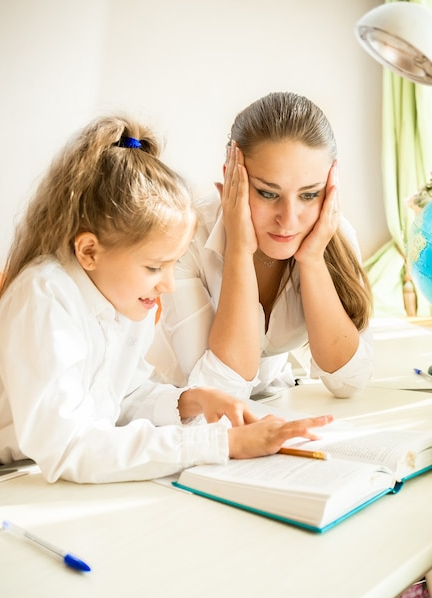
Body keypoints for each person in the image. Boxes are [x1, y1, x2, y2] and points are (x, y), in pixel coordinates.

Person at [0, 115, 333, 484]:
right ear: (88, 251)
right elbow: (70, 448)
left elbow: (119, 397)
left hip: (38, 470)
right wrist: (221, 443)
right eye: (153, 267)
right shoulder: (44, 297)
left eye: (172, 265)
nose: (168, 285)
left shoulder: (126, 298)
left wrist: (192, 401)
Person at [148, 92, 374, 399]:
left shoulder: (332, 232)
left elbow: (349, 382)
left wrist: (312, 261)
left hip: (269, 406)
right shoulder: (187, 238)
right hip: (172, 418)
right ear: (230, 178)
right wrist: (239, 251)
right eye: (268, 193)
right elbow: (215, 393)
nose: (289, 220)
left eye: (309, 194)